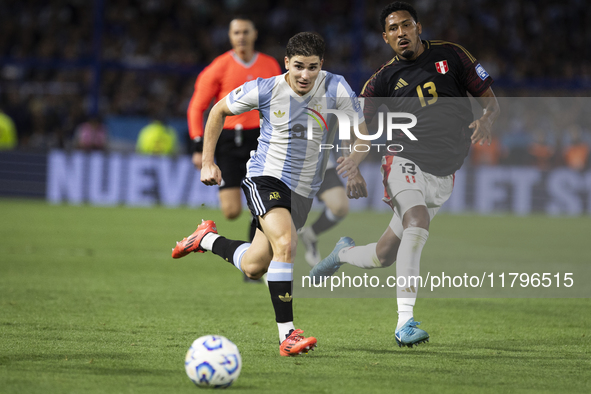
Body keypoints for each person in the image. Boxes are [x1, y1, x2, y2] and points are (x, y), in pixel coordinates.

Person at [311, 1, 500, 348]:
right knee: (417, 221)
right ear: (385, 37)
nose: (401, 33)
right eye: (394, 29)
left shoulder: (453, 56)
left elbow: (491, 101)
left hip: (444, 174)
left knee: (383, 255)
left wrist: (486, 118)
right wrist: (352, 163)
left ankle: (341, 253)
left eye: (406, 25)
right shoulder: (381, 81)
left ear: (418, 28)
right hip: (403, 160)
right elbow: (364, 132)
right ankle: (405, 322)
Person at [172, 32, 368, 356]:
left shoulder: (336, 87)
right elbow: (218, 110)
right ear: (287, 63)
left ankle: (205, 239)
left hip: (304, 191)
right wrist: (208, 160)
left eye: (313, 68)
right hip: (267, 178)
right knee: (286, 244)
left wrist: (355, 163)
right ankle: (287, 335)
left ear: (323, 65)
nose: (305, 75)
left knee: (254, 265)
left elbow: (362, 133)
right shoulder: (265, 89)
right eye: (299, 67)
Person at [187, 18, 281, 244]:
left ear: (254, 34)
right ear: (230, 36)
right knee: (231, 211)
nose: (241, 36)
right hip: (228, 141)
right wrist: (199, 145)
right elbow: (197, 107)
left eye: (245, 32)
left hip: (259, 140)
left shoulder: (270, 65)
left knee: (262, 203)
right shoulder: (219, 66)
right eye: (236, 32)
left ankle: (255, 258)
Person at [297, 154, 352, 267]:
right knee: (279, 217)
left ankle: (310, 234)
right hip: (284, 165)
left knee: (340, 207)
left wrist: (350, 158)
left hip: (320, 162)